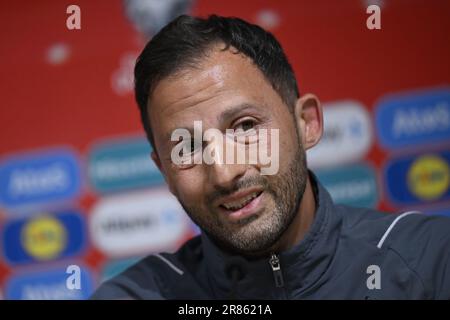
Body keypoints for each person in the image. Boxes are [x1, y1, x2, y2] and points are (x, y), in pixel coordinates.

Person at [91, 14, 450, 299]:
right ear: (166, 172)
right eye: (186, 147)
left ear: (306, 123)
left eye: (245, 127)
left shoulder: (432, 261)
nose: (225, 173)